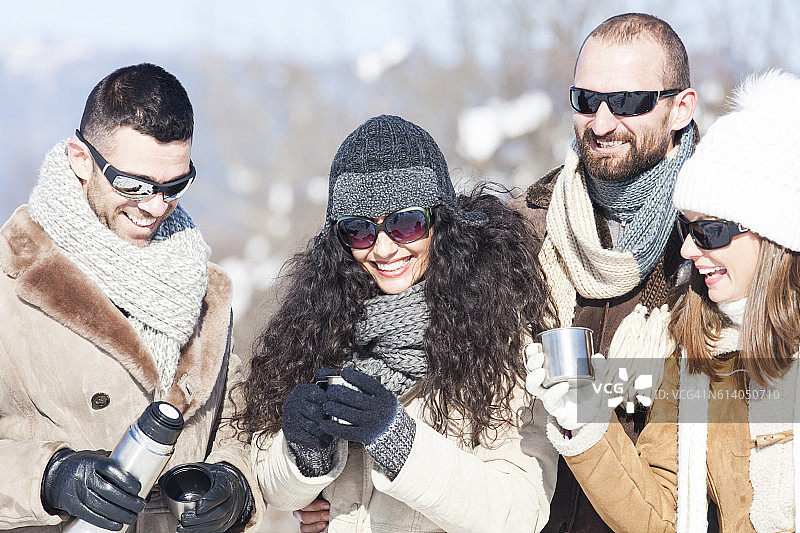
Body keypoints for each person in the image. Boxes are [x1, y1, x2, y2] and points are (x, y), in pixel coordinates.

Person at [233, 114, 559, 532]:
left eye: (405, 223)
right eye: (360, 230)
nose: (384, 249)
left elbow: (520, 512)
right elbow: (276, 491)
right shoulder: (324, 326)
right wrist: (301, 455)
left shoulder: (501, 334)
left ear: (440, 222)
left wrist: (399, 443)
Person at [527, 69, 800, 532]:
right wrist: (585, 408)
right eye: (688, 229)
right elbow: (659, 516)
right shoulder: (698, 351)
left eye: (711, 230)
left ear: (775, 234)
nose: (690, 250)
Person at [0, 63, 263, 532]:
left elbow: (235, 413)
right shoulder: (11, 278)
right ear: (82, 158)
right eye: (134, 184)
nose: (154, 206)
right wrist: (50, 478)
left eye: (174, 186)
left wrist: (235, 485)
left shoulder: (201, 283)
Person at [508, 12, 698, 532]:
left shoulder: (713, 248)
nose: (602, 122)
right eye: (586, 100)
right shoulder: (527, 231)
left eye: (631, 102)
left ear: (681, 107)